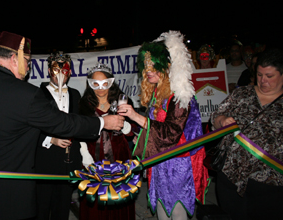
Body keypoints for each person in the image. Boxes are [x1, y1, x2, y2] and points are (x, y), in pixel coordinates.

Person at [0, 31, 124, 220]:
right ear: (15, 58)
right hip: (6, 199)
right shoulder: (26, 94)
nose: (29, 67)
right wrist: (103, 121)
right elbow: (63, 123)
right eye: (28, 61)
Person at [118, 31, 209, 220]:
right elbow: (153, 130)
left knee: (176, 212)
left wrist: (135, 116)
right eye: (146, 66)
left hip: (178, 165)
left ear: (166, 67)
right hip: (159, 163)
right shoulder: (157, 94)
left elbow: (170, 133)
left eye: (153, 66)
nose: (148, 70)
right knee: (160, 210)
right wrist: (134, 134)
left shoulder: (180, 96)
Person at [210, 48, 283, 220]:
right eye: (259, 74)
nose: (262, 80)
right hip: (231, 177)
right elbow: (216, 116)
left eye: (269, 76)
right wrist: (222, 121)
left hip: (270, 183)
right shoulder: (242, 93)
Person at [78, 62, 135, 220]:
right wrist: (84, 155)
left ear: (112, 82)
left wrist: (125, 125)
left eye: (105, 83)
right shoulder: (84, 105)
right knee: (96, 202)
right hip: (93, 157)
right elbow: (78, 131)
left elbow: (134, 132)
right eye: (95, 83)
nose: (100, 88)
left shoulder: (122, 101)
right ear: (90, 84)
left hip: (119, 155)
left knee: (119, 198)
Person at [35, 51, 82, 220]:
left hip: (69, 162)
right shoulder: (38, 95)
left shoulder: (76, 95)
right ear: (49, 71)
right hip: (45, 161)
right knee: (42, 206)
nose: (60, 75)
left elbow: (81, 123)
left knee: (62, 207)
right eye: (56, 70)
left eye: (64, 71)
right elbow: (30, 126)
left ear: (69, 72)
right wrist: (50, 139)